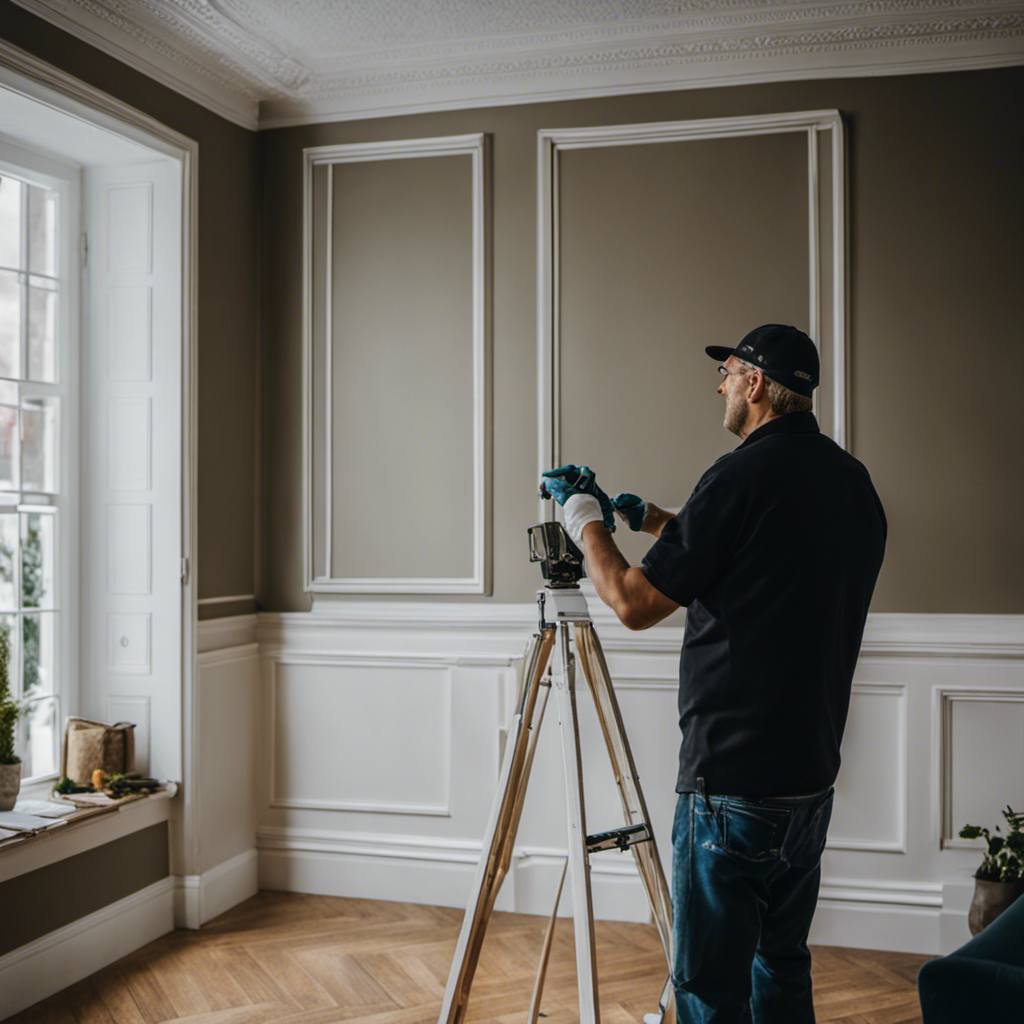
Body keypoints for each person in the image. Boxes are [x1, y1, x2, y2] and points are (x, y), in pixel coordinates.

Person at [542, 323, 887, 1024]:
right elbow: (765, 566)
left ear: (756, 384)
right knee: (782, 964)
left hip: (729, 784)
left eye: (728, 372)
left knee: (708, 990)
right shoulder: (852, 483)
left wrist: (585, 520)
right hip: (808, 781)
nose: (720, 384)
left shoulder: (738, 476)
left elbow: (634, 603)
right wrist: (662, 521)